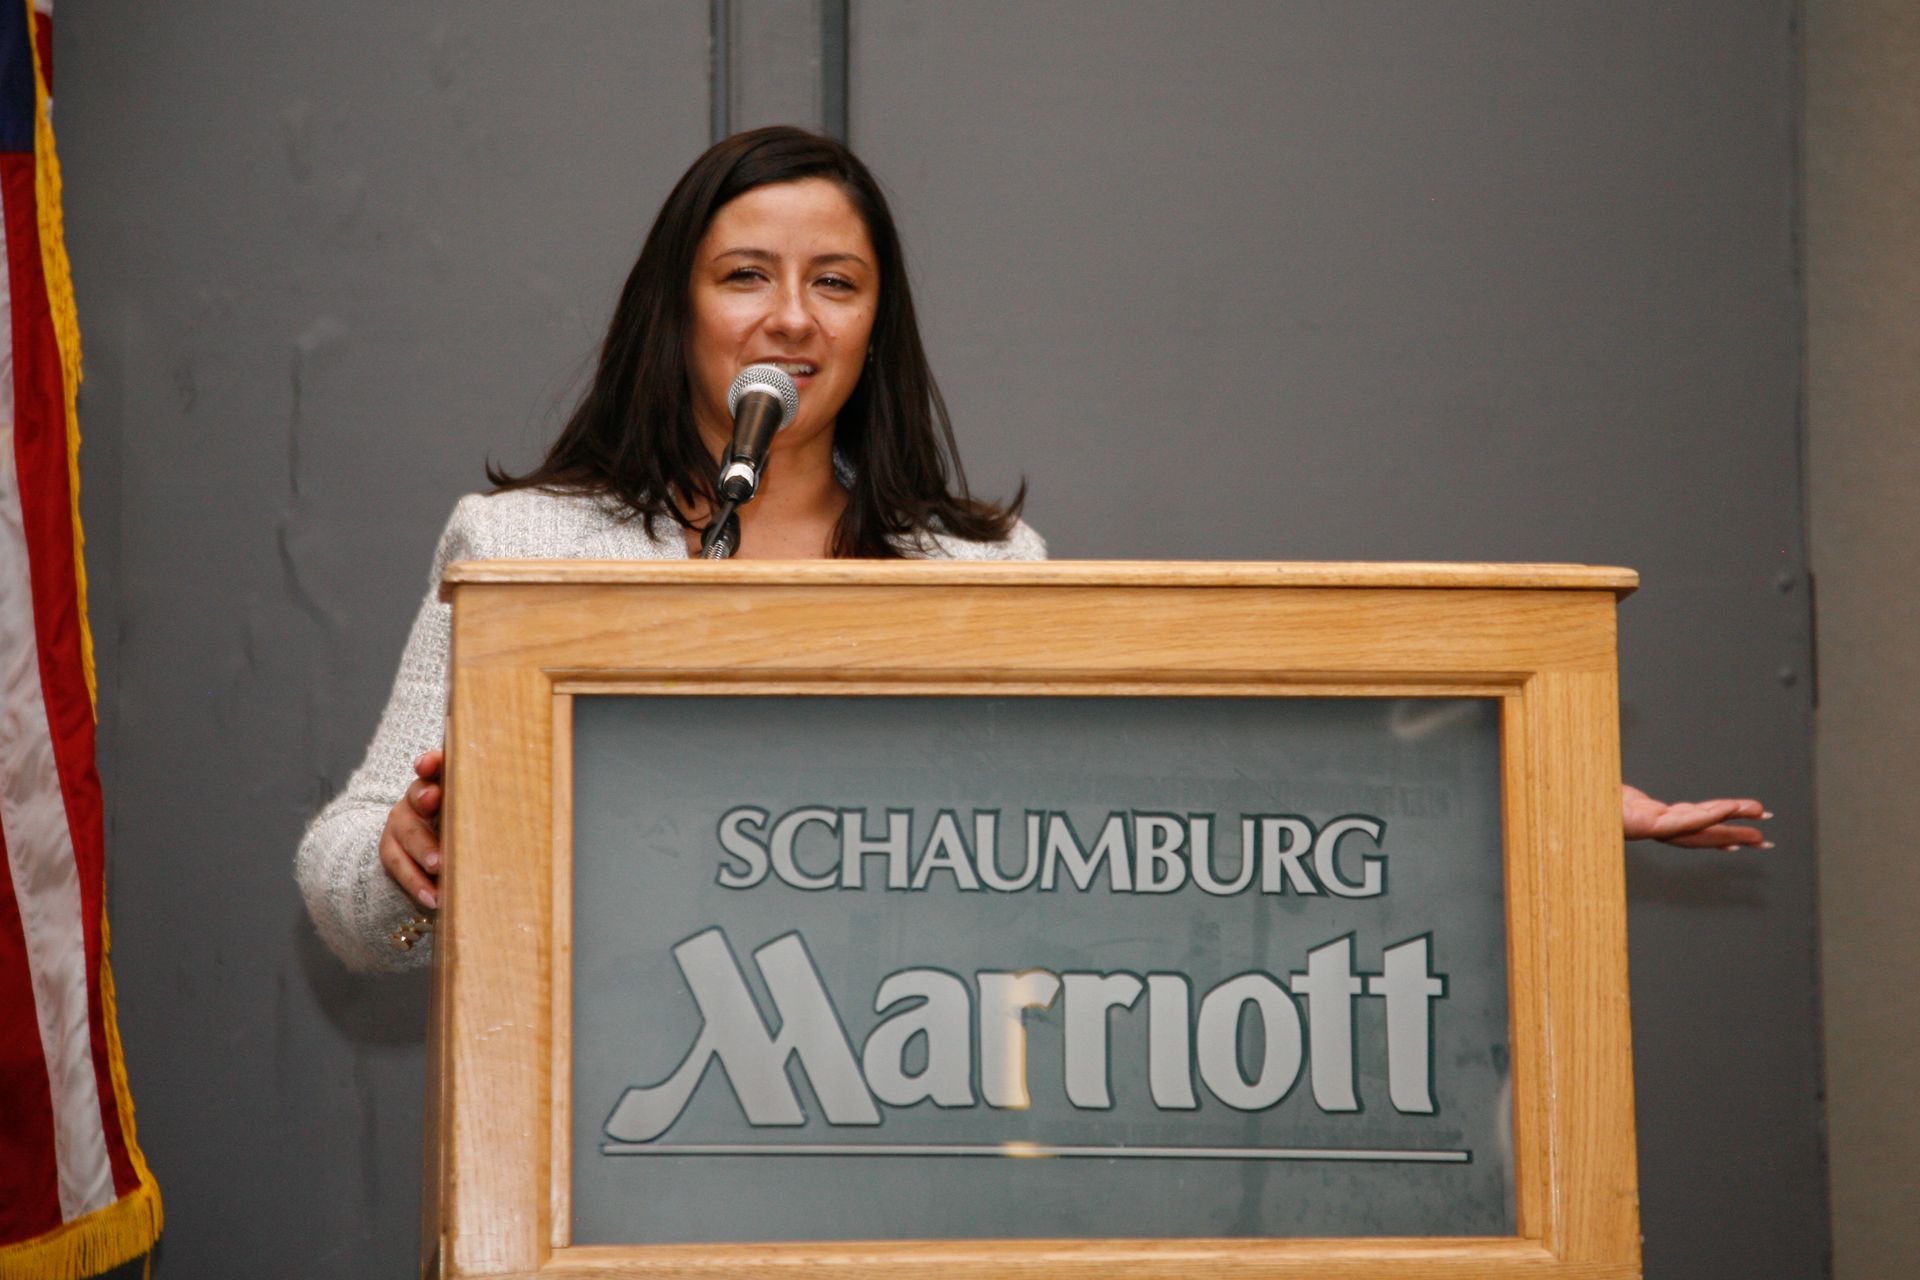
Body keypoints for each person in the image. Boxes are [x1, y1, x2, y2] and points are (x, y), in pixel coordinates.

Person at [295, 126, 1768, 973]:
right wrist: (407, 863)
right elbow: (345, 883)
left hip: (896, 1107)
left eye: (836, 283)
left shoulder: (980, 570)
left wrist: (1518, 782)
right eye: (745, 276)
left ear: (878, 326)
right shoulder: (524, 546)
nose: (791, 318)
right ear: (673, 311)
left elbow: (1167, 800)